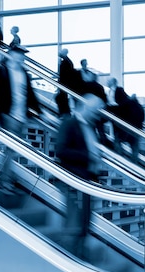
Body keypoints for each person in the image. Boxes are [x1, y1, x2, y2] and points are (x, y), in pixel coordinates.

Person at [56, 94, 105, 258]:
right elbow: (61, 150)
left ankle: (80, 258)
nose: (97, 115)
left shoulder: (89, 127)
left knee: (84, 224)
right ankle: (68, 259)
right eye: (95, 111)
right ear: (85, 107)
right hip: (74, 182)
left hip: (87, 182)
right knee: (74, 225)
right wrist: (88, 155)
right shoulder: (70, 123)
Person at [0, 44, 42, 192]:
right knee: (10, 150)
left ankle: (6, 178)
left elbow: (31, 95)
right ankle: (4, 181)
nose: (22, 57)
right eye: (20, 54)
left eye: (23, 54)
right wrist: (0, 113)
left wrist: (40, 113)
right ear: (11, 53)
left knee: (13, 151)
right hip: (9, 115)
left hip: (22, 117)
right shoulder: (1, 70)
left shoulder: (24, 73)